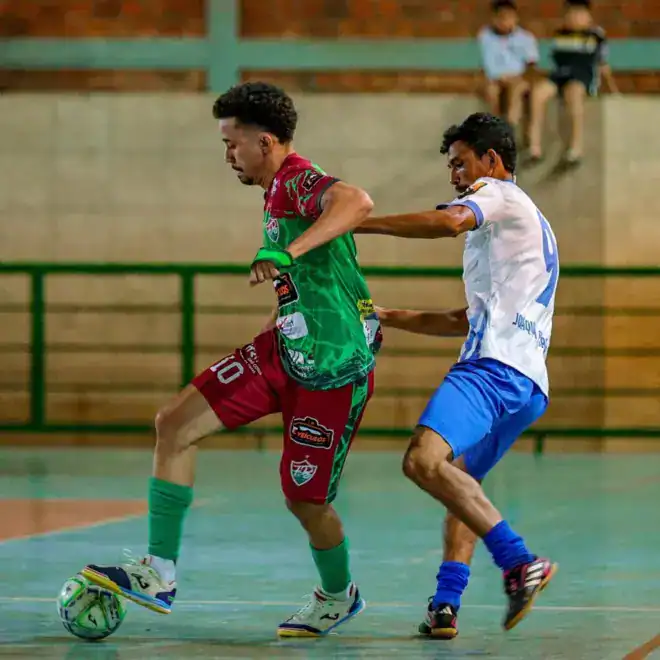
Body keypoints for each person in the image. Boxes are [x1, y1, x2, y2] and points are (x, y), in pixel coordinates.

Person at [80, 82, 382, 638]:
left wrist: (286, 252)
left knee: (305, 500)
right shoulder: (274, 191)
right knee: (174, 424)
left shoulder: (297, 179)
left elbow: (358, 202)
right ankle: (158, 572)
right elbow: (313, 274)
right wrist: (281, 308)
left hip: (334, 367)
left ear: (264, 142)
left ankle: (339, 596)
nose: (227, 155)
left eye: (231, 143)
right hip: (285, 347)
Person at [357, 112, 558, 637]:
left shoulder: (498, 195)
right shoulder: (521, 223)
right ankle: (445, 605)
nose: (454, 176)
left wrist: (356, 223)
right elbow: (463, 320)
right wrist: (388, 316)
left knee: (423, 461)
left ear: (491, 160)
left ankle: (519, 561)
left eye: (460, 163)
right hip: (527, 383)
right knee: (460, 486)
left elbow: (447, 222)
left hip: (492, 370)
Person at [527, 0, 618, 167]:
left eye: (580, 13)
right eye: (571, 13)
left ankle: (575, 147)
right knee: (538, 93)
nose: (574, 18)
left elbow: (603, 63)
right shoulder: (560, 34)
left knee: (573, 94)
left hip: (582, 77)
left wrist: (610, 88)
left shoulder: (595, 36)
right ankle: (534, 145)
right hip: (560, 76)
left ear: (589, 17)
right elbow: (553, 61)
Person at [477, 0, 539, 132]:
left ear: (516, 18)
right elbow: (482, 63)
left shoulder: (525, 38)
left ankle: (510, 126)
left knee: (516, 90)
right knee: (491, 92)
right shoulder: (485, 36)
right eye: (500, 17)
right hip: (494, 79)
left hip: (518, 78)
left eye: (508, 17)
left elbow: (532, 66)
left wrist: (519, 78)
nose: (504, 22)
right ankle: (494, 128)